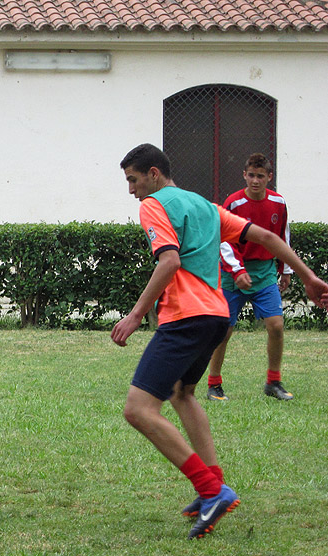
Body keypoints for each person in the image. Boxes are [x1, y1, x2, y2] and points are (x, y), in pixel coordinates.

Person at [111, 144, 328, 540]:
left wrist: (136, 314)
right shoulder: (204, 205)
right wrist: (308, 276)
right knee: (183, 393)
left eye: (133, 180)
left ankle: (213, 491)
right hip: (216, 315)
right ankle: (212, 485)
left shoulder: (154, 204)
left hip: (186, 317)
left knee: (138, 410)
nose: (131, 190)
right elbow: (264, 236)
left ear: (154, 174)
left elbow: (170, 261)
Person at [206, 153, 294, 401]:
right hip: (233, 273)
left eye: (261, 176)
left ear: (269, 177)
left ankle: (273, 382)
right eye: (251, 175)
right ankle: (214, 384)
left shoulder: (278, 202)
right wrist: (238, 270)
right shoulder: (233, 203)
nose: (256, 180)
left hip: (265, 273)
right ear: (245, 175)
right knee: (224, 330)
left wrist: (285, 269)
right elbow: (223, 239)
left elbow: (282, 237)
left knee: (276, 326)